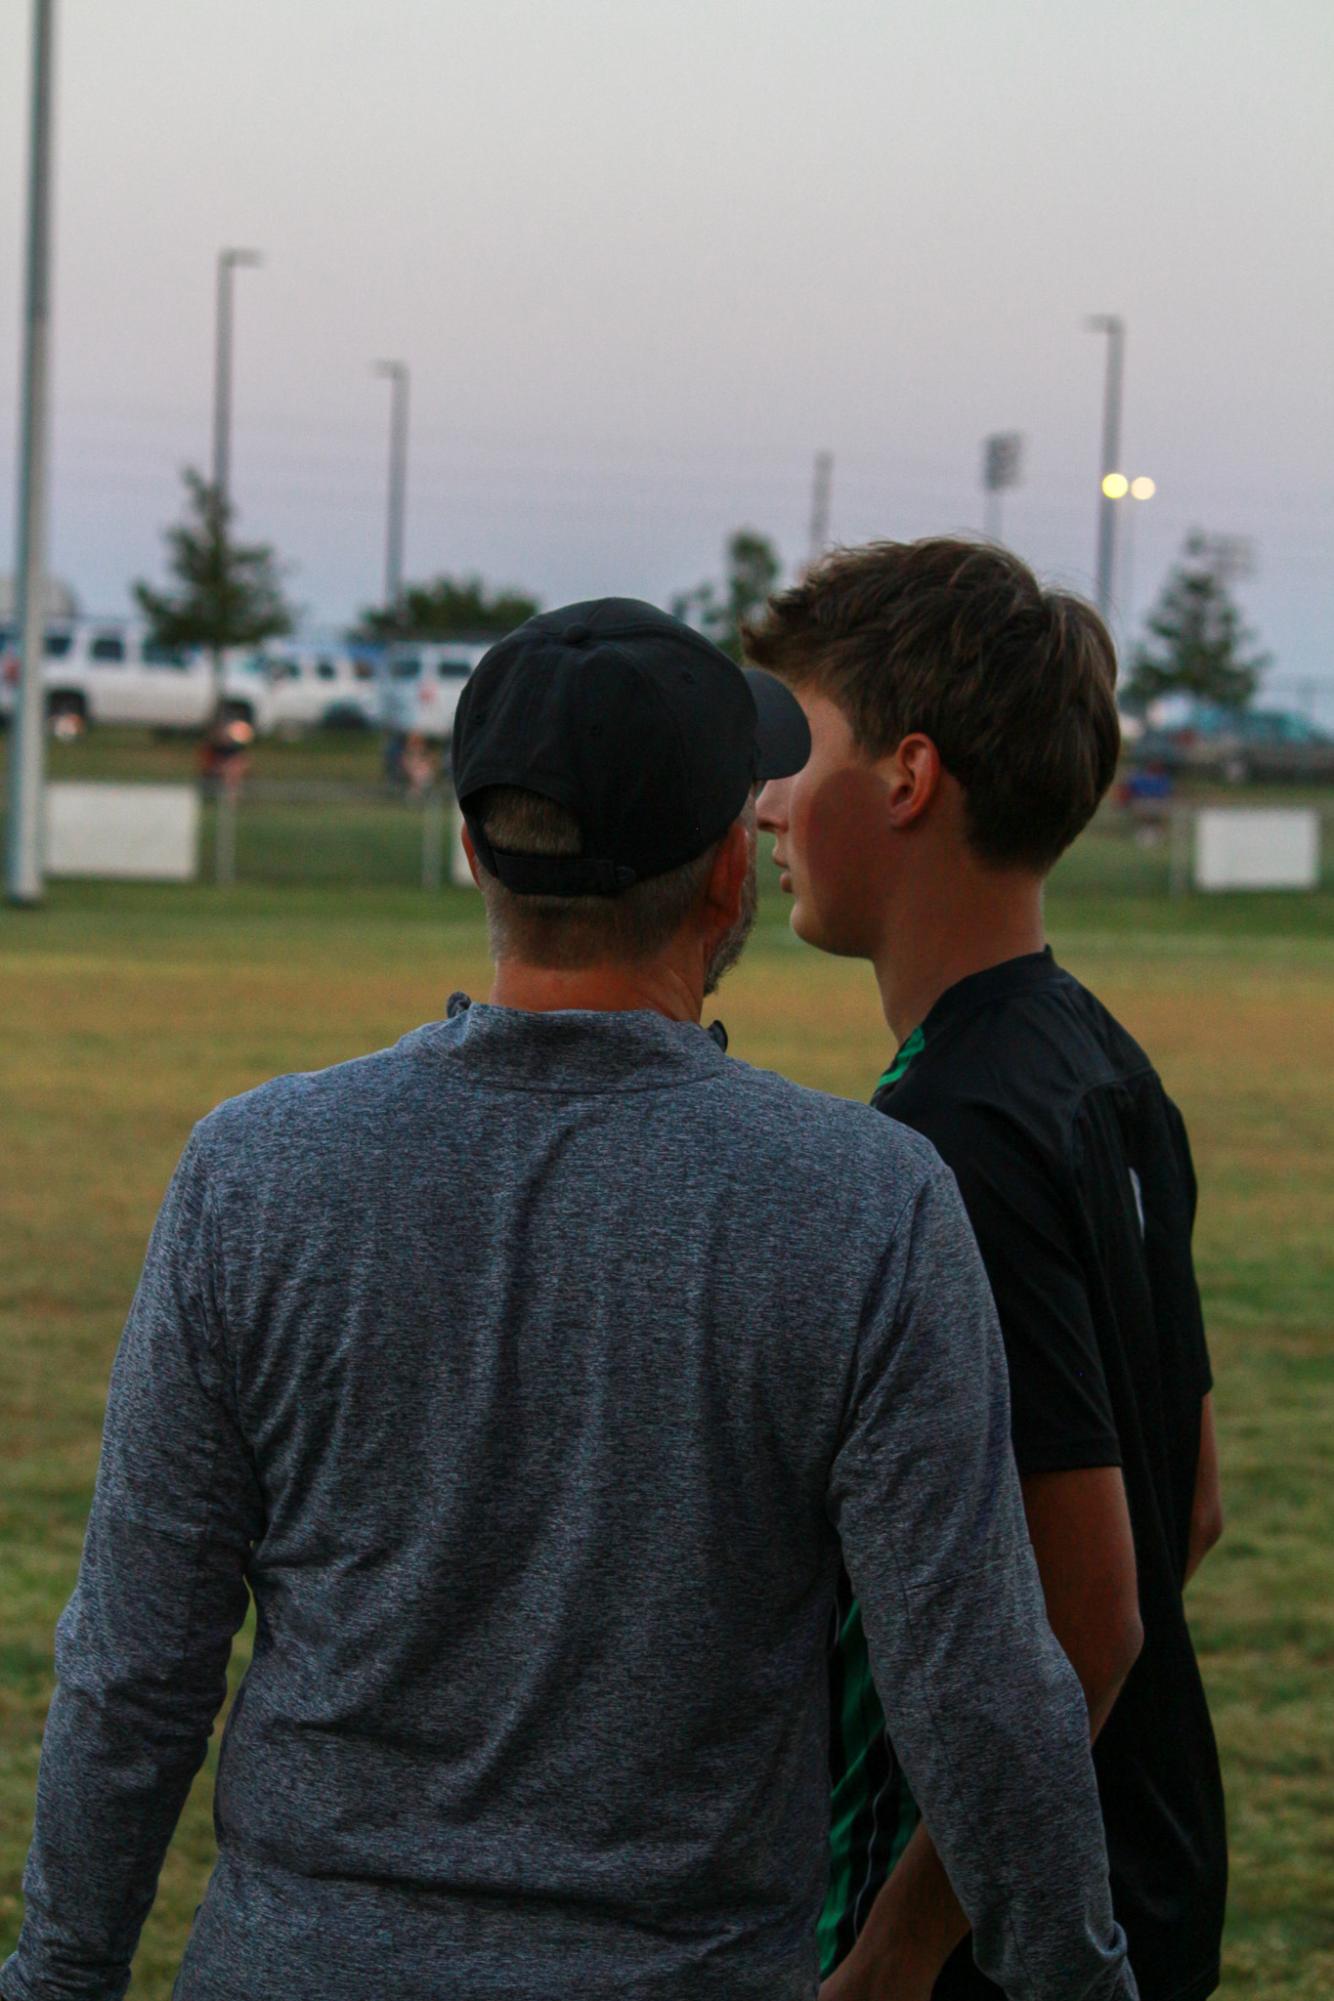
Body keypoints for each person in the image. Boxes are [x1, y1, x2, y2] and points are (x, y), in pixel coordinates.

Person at [2, 599, 1136, 2001]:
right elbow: (977, 1696)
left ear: (474, 848)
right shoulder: (864, 1203)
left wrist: (59, 1972)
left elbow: (133, 1665)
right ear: (728, 872)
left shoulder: (256, 1169)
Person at [749, 540, 1226, 2001]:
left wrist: (898, 1948)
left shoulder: (948, 1136)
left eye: (791, 747)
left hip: (1000, 1926)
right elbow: (1187, 1501)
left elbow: (1087, 1612)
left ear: (903, 777)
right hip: (1147, 1850)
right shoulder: (1093, 1057)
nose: (764, 799)